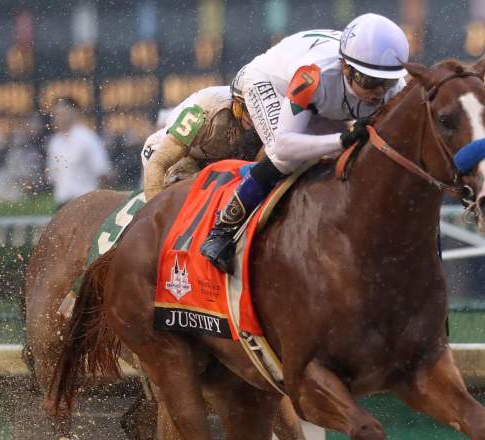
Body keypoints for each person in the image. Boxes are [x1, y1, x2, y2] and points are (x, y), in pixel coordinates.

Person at [200, 13, 409, 273]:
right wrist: (341, 140)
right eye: (369, 81)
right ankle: (223, 230)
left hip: (325, 103)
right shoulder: (313, 75)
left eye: (386, 83)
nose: (379, 92)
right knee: (286, 159)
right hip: (270, 83)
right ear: (345, 67)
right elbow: (286, 145)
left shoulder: (397, 87)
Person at [140, 86, 261, 200]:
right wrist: (154, 208)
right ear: (235, 102)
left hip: (209, 157)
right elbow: (157, 163)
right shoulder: (206, 110)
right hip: (176, 152)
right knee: (185, 195)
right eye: (246, 108)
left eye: (257, 109)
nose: (252, 116)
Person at [45, 97, 111, 209]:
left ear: (75, 113)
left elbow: (102, 172)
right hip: (62, 204)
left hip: (86, 203)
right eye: (56, 114)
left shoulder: (88, 138)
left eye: (63, 113)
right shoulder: (54, 143)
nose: (59, 118)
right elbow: (53, 177)